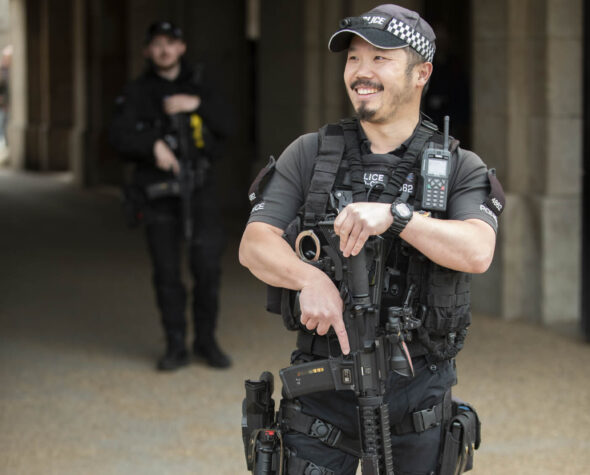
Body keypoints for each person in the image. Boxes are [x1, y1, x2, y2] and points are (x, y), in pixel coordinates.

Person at [240, 4, 502, 474]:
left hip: (417, 395)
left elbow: (478, 249)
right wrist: (307, 279)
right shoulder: (310, 153)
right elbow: (255, 243)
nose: (361, 72)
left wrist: (399, 218)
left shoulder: (460, 166)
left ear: (421, 73)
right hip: (322, 393)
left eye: (380, 59)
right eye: (353, 58)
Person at [110, 21, 233, 371]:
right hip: (158, 194)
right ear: (148, 50)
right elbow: (117, 137)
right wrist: (151, 146)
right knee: (166, 272)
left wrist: (195, 104)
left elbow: (229, 126)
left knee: (207, 268)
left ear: (182, 47)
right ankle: (176, 344)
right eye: (157, 44)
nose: (164, 50)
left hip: (200, 191)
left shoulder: (201, 86)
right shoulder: (137, 91)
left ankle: (206, 341)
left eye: (171, 43)